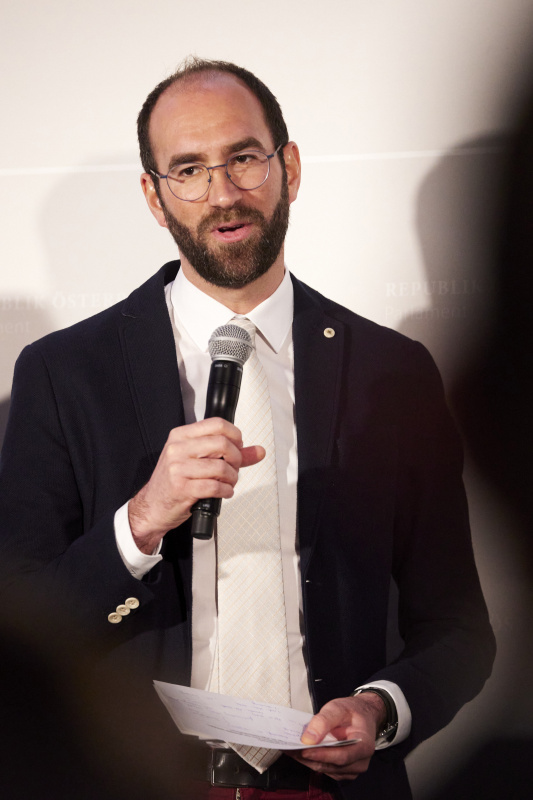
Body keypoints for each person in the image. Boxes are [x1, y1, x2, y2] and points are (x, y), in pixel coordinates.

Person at [0, 58, 495, 799]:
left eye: (243, 159)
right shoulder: (61, 374)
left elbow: (459, 631)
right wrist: (137, 524)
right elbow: (22, 630)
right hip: (130, 781)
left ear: (288, 167)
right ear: (153, 196)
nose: (223, 194)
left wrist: (380, 710)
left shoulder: (393, 372)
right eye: (189, 170)